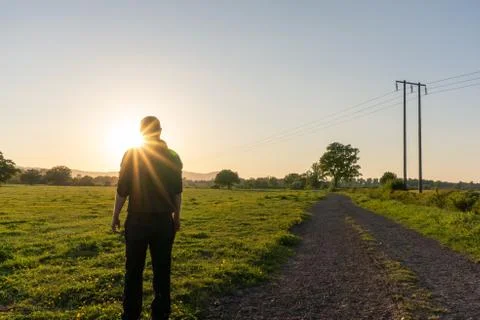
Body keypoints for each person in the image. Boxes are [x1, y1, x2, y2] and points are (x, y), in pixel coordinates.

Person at [111, 116, 183, 320]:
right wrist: (176, 217)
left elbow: (122, 190)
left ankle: (130, 315)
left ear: (140, 132)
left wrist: (115, 215)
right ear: (160, 131)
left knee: (133, 270)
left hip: (137, 222)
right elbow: (177, 192)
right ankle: (161, 314)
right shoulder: (172, 156)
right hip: (163, 222)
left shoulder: (131, 154)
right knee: (162, 270)